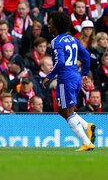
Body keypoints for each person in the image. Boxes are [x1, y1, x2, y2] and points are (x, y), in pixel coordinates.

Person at [42, 11, 95, 151]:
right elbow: (86, 56)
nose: (49, 25)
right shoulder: (72, 39)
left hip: (65, 79)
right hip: (75, 76)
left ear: (56, 25)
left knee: (67, 112)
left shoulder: (56, 41)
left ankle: (86, 142)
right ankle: (87, 126)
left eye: (51, 22)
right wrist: (83, 73)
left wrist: (49, 76)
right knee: (63, 110)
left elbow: (60, 61)